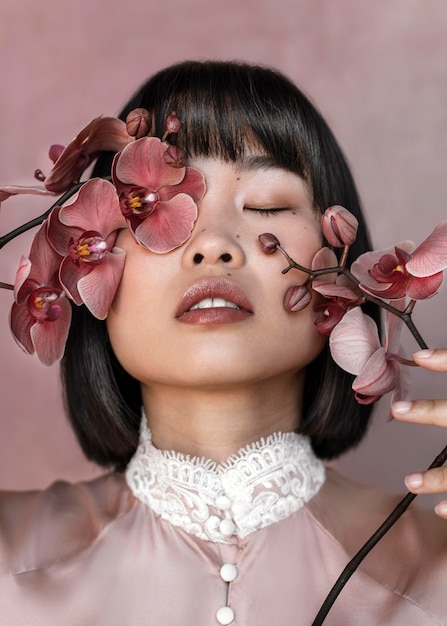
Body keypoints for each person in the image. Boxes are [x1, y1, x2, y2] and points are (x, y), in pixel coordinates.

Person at [1, 59, 447, 625]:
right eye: (159, 215)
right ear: (86, 268)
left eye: (267, 205)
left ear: (344, 272)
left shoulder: (438, 571)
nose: (213, 244)